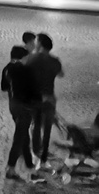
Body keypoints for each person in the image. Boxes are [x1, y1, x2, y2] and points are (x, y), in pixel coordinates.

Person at [1, 44, 44, 183]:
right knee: (20, 138)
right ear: (21, 58)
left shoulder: (7, 68)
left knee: (24, 137)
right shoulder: (24, 70)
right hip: (24, 108)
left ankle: (30, 167)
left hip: (13, 106)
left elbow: (4, 87)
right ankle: (11, 168)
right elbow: (33, 91)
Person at [25, 32, 63, 167]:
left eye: (36, 41)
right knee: (47, 127)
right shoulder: (55, 61)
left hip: (35, 98)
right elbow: (61, 74)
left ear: (40, 44)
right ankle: (44, 154)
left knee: (35, 125)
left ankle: (35, 152)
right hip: (49, 99)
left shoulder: (31, 58)